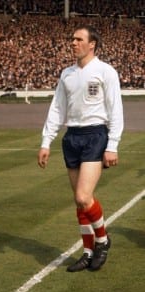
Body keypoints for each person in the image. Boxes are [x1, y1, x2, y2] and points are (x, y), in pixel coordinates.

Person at [37, 25, 124, 272]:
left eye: (78, 39)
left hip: (95, 134)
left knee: (83, 197)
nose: (73, 43)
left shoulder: (106, 71)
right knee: (80, 204)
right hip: (71, 137)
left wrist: (113, 145)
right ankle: (87, 252)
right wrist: (46, 142)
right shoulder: (67, 74)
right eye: (72, 39)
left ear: (92, 44)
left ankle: (103, 241)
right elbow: (57, 108)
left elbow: (115, 109)